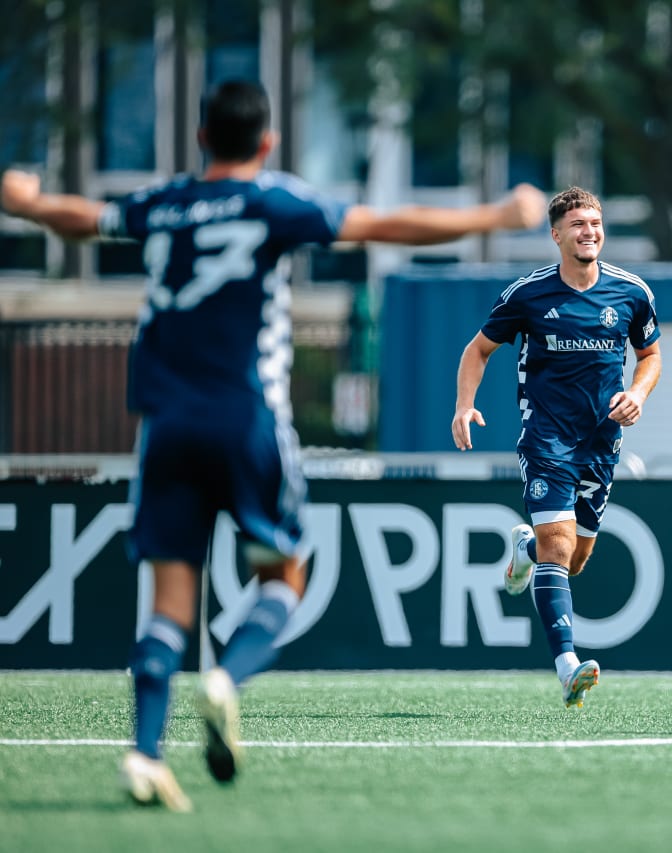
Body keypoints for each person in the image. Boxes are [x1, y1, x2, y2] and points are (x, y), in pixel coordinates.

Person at [1, 78, 545, 811]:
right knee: (285, 576)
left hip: (164, 423)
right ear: (268, 142)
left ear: (200, 137)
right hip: (244, 418)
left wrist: (28, 204)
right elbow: (386, 225)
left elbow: (83, 219)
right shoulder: (273, 202)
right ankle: (227, 678)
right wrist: (495, 214)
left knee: (167, 602)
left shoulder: (166, 203)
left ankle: (144, 753)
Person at [451, 186, 661, 708]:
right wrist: (464, 406)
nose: (589, 232)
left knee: (575, 558)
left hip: (601, 441)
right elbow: (478, 350)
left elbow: (650, 355)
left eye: (595, 223)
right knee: (560, 548)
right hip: (547, 436)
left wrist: (637, 394)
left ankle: (525, 551)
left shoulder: (631, 292)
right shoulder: (528, 294)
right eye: (578, 225)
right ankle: (568, 666)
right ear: (556, 235)